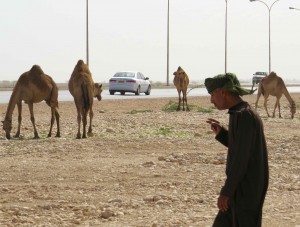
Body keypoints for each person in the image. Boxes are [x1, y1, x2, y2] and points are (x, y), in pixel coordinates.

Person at [204, 73, 269, 227]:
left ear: (223, 92)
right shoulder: (238, 113)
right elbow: (240, 146)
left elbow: (241, 158)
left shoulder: (244, 115)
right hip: (239, 185)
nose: (211, 100)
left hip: (247, 187)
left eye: (213, 94)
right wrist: (222, 134)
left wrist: (226, 192)